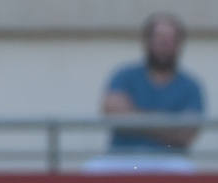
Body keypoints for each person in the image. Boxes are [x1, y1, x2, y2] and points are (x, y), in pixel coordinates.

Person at [86, 12, 205, 174]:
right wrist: (168, 123)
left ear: (179, 45)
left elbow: (186, 133)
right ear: (147, 41)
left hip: (168, 160)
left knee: (187, 170)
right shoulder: (124, 75)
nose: (164, 44)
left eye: (170, 40)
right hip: (122, 158)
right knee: (92, 169)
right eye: (159, 38)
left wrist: (135, 118)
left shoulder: (191, 85)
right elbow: (113, 112)